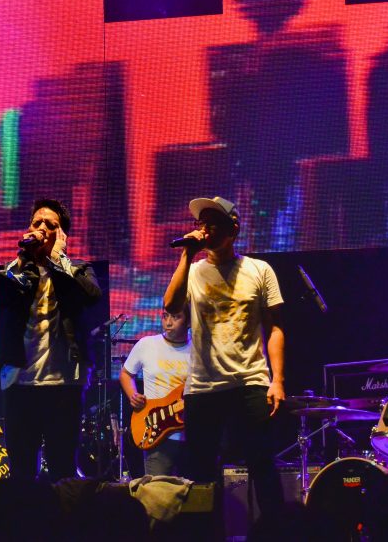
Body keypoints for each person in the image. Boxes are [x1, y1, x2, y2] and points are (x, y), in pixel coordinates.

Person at [163, 196, 284, 514]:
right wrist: (186, 255)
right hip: (203, 387)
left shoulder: (259, 270)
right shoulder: (193, 271)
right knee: (201, 474)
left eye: (212, 222)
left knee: (263, 465)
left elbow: (275, 328)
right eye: (200, 222)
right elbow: (171, 306)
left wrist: (278, 380)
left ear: (233, 229)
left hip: (250, 381)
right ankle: (207, 533)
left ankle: (275, 531)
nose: (204, 228)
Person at [0, 199, 102, 482]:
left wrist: (59, 258)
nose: (40, 228)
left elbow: (91, 296)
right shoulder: (14, 270)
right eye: (36, 222)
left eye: (50, 225)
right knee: (21, 472)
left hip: (63, 384)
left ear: (61, 234)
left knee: (62, 470)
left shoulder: (78, 270)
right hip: (20, 383)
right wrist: (23, 258)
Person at [119, 308, 191, 477]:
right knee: (157, 491)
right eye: (165, 316)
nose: (168, 322)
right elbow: (125, 374)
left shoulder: (199, 350)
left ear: (189, 322)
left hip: (192, 435)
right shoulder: (147, 344)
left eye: (176, 316)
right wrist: (133, 395)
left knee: (196, 490)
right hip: (156, 434)